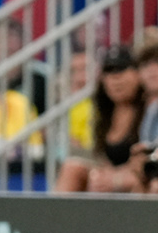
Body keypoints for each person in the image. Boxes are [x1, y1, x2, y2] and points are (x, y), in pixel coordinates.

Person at [56, 45, 143, 193]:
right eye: (109, 71)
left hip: (140, 179)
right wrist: (102, 175)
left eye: (121, 69)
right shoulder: (102, 113)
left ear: (138, 74)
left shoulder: (149, 109)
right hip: (109, 180)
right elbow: (100, 157)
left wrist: (116, 178)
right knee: (72, 168)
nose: (115, 78)